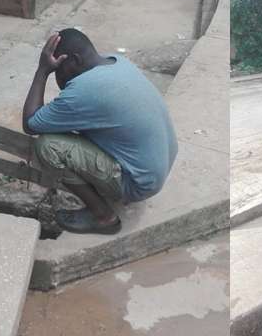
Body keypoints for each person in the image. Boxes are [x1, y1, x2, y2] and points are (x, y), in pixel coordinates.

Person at [22, 28, 178, 235]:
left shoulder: (82, 91)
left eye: (58, 69)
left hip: (138, 183)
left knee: (48, 146)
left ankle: (103, 217)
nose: (57, 75)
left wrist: (42, 70)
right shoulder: (118, 62)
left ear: (74, 60)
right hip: (159, 165)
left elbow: (30, 123)